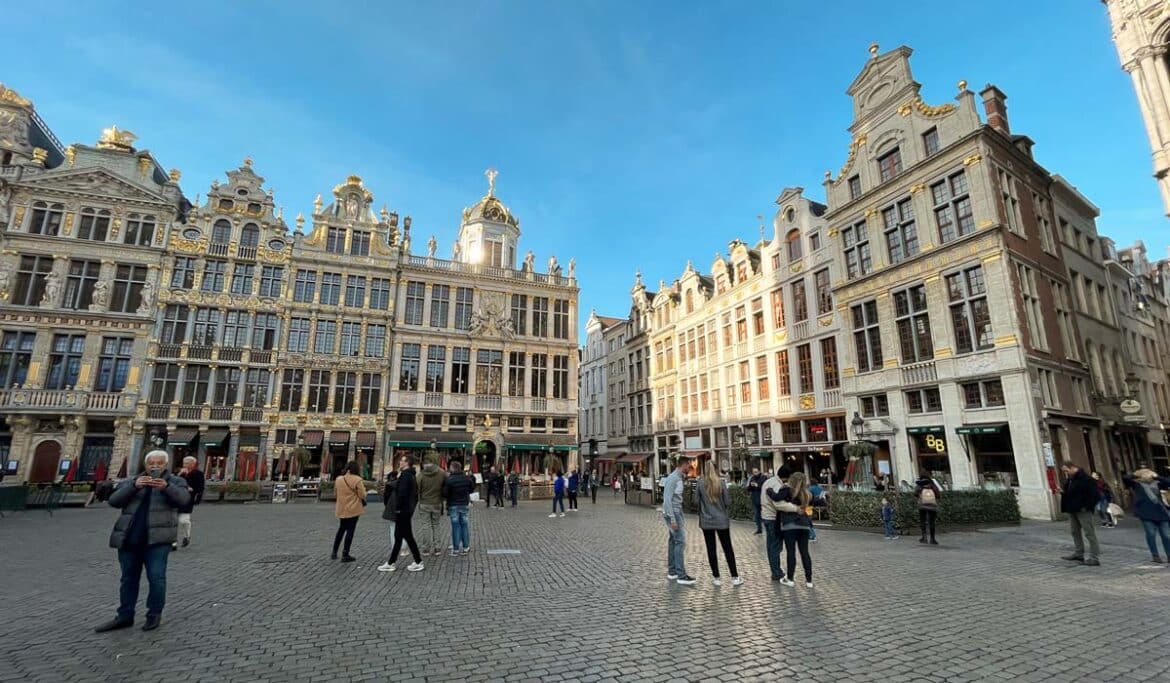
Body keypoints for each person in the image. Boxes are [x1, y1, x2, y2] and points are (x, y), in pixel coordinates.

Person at [94, 450, 190, 633]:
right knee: (128, 579)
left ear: (165, 465)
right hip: (130, 538)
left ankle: (154, 614)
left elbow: (184, 500)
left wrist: (166, 487)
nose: (155, 466)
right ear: (145, 465)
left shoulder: (176, 481)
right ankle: (125, 615)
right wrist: (134, 486)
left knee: (157, 578)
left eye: (159, 463)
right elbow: (114, 501)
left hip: (157, 540)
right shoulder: (132, 480)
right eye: (151, 463)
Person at [697, 460, 743, 587]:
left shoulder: (700, 483)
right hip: (721, 519)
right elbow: (728, 502)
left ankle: (716, 577)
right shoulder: (721, 483)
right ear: (716, 469)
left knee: (711, 548)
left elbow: (696, 501)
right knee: (728, 548)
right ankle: (734, 577)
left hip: (706, 520)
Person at [771, 471, 820, 588]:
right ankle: (809, 581)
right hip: (804, 525)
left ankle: (790, 578)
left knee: (791, 553)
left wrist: (770, 491)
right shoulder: (807, 494)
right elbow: (815, 502)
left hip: (789, 525)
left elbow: (776, 499)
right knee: (805, 553)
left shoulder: (787, 490)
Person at [380, 455, 424, 572]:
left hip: (403, 511)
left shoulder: (405, 475)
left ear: (407, 463)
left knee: (406, 537)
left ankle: (417, 561)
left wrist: (398, 508)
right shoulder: (410, 475)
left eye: (402, 461)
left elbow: (402, 494)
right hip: (406, 510)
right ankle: (392, 562)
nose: (400, 462)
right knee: (400, 537)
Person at [1122, 468, 1170, 563]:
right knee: (1151, 534)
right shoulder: (1137, 484)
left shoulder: (1157, 483)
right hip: (1145, 513)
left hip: (1160, 512)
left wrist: (1157, 477)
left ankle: (1169, 555)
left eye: (1148, 473)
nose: (1147, 475)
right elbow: (1125, 478)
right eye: (1145, 474)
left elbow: (1168, 482)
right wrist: (1136, 474)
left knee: (1166, 535)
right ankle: (1155, 555)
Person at [662, 457, 696, 585]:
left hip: (676, 512)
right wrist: (672, 519)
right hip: (674, 513)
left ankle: (672, 572)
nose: (690, 468)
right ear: (684, 465)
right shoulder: (673, 478)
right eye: (689, 466)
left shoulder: (678, 477)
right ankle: (681, 575)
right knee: (680, 542)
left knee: (673, 541)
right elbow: (667, 500)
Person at [1059, 460, 1101, 566]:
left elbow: (1095, 495)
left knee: (1089, 533)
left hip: (1083, 510)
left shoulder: (1086, 479)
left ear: (1072, 467)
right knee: (1075, 531)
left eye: (1066, 471)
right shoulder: (1070, 479)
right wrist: (1063, 493)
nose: (1066, 473)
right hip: (1072, 509)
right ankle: (1079, 553)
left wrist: (1086, 506)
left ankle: (1094, 557)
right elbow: (1071, 493)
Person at [332, 461, 367, 563]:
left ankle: (334, 552)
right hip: (353, 508)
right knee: (350, 531)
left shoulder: (339, 479)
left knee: (341, 529)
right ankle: (345, 554)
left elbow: (335, 493)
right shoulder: (357, 480)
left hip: (341, 508)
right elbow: (362, 495)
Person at [760, 467, 790, 582]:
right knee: (775, 546)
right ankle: (776, 572)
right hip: (773, 518)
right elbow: (779, 504)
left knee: (771, 546)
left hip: (766, 516)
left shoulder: (768, 481)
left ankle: (775, 570)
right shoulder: (777, 485)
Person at [415, 456, 447, 557]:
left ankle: (426, 549)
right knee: (436, 525)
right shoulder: (442, 473)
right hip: (437, 502)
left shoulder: (420, 475)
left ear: (424, 464)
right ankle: (437, 548)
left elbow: (417, 489)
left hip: (424, 503)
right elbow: (446, 485)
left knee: (426, 526)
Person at [442, 461, 476, 556]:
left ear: (452, 468)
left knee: (455, 526)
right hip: (464, 503)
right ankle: (466, 547)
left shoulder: (449, 479)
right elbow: (472, 489)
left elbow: (445, 493)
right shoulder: (467, 478)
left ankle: (456, 549)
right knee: (464, 525)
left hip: (453, 504)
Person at [174, 455, 204, 550]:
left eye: (187, 463)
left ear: (193, 464)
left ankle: (187, 536)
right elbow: (173, 483)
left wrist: (197, 497)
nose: (184, 465)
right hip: (176, 499)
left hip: (188, 499)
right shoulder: (180, 473)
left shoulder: (198, 474)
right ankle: (173, 543)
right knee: (173, 521)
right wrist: (179, 474)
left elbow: (200, 487)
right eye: (184, 463)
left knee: (184, 520)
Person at [915, 472, 941, 545]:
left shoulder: (920, 484)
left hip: (922, 506)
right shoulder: (932, 484)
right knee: (931, 522)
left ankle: (924, 537)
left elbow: (915, 493)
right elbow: (938, 494)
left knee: (923, 521)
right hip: (932, 506)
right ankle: (932, 539)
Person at [747, 467, 766, 535]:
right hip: (755, 499)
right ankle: (759, 529)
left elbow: (765, 487)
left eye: (756, 472)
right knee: (757, 515)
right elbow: (748, 489)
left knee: (764, 514)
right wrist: (751, 486)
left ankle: (767, 528)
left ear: (759, 471)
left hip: (762, 499)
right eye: (753, 472)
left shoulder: (763, 478)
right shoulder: (752, 478)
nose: (754, 473)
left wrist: (757, 485)